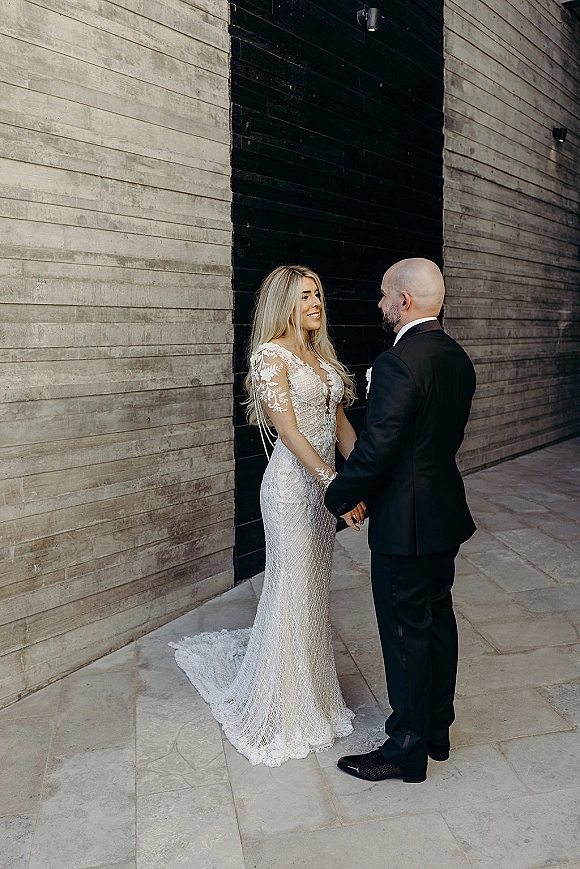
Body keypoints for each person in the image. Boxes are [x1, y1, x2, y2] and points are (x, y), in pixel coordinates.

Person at [171, 264, 365, 767]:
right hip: (291, 492)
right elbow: (291, 433)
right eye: (306, 296)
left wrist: (367, 474)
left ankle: (311, 698)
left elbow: (339, 424)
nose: (317, 303)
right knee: (293, 587)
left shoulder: (319, 360)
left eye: (319, 294)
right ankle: (281, 709)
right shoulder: (269, 356)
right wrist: (336, 486)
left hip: (323, 492)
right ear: (285, 304)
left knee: (313, 590)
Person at [324, 258, 476, 783]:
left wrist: (337, 496)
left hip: (405, 524)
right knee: (436, 622)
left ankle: (405, 748)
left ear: (405, 301)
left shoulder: (398, 362)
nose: (380, 304)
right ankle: (436, 731)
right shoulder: (457, 357)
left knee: (405, 633)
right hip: (443, 515)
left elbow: (378, 449)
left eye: (385, 294)